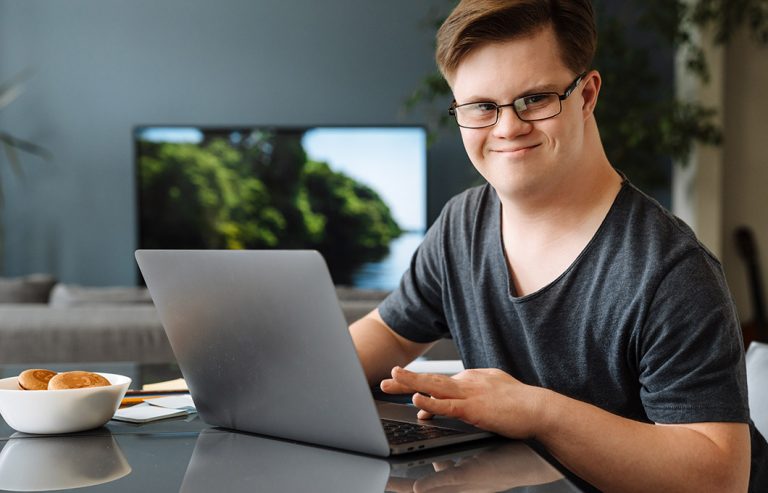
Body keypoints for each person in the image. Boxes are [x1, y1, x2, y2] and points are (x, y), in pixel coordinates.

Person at [349, 0, 768, 491]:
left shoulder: (672, 271)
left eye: (536, 98)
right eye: (482, 106)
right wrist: (274, 383)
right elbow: (390, 334)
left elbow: (721, 479)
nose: (507, 127)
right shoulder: (462, 223)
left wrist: (535, 411)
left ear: (587, 95)